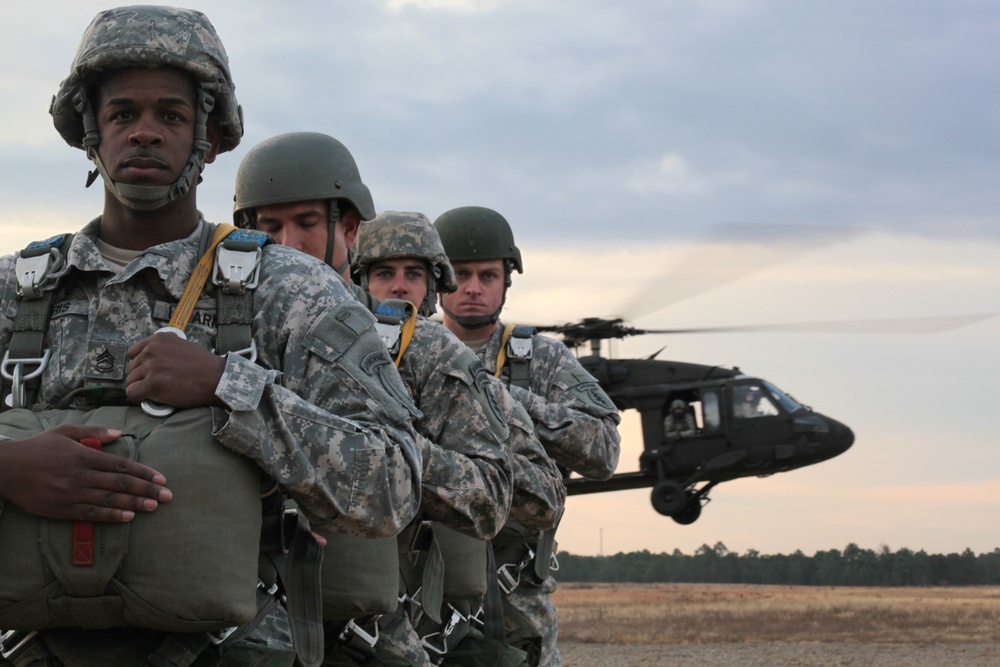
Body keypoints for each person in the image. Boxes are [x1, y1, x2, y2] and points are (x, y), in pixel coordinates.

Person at [0, 8, 421, 667]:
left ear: (210, 137)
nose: (144, 131)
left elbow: (393, 482)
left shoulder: (290, 289)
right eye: (121, 114)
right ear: (90, 131)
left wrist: (231, 388)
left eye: (171, 115)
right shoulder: (15, 293)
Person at [234, 139, 561, 666]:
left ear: (348, 230)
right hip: (234, 621)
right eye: (269, 228)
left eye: (307, 223)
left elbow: (497, 493)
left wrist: (383, 458)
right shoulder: (224, 335)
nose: (288, 244)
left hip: (369, 631)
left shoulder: (424, 351)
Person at [352, 211, 566, 666]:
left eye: (414, 274)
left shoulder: (461, 371)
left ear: (433, 287)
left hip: (443, 615)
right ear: (359, 280)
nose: (398, 287)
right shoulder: (322, 351)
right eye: (384, 273)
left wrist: (419, 457)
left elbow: (545, 496)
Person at [434, 206, 621, 667]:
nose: (473, 288)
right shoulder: (410, 351)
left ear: (506, 281)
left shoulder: (542, 360)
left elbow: (604, 449)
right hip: (425, 589)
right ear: (438, 279)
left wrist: (512, 401)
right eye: (460, 275)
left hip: (515, 596)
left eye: (487, 276)